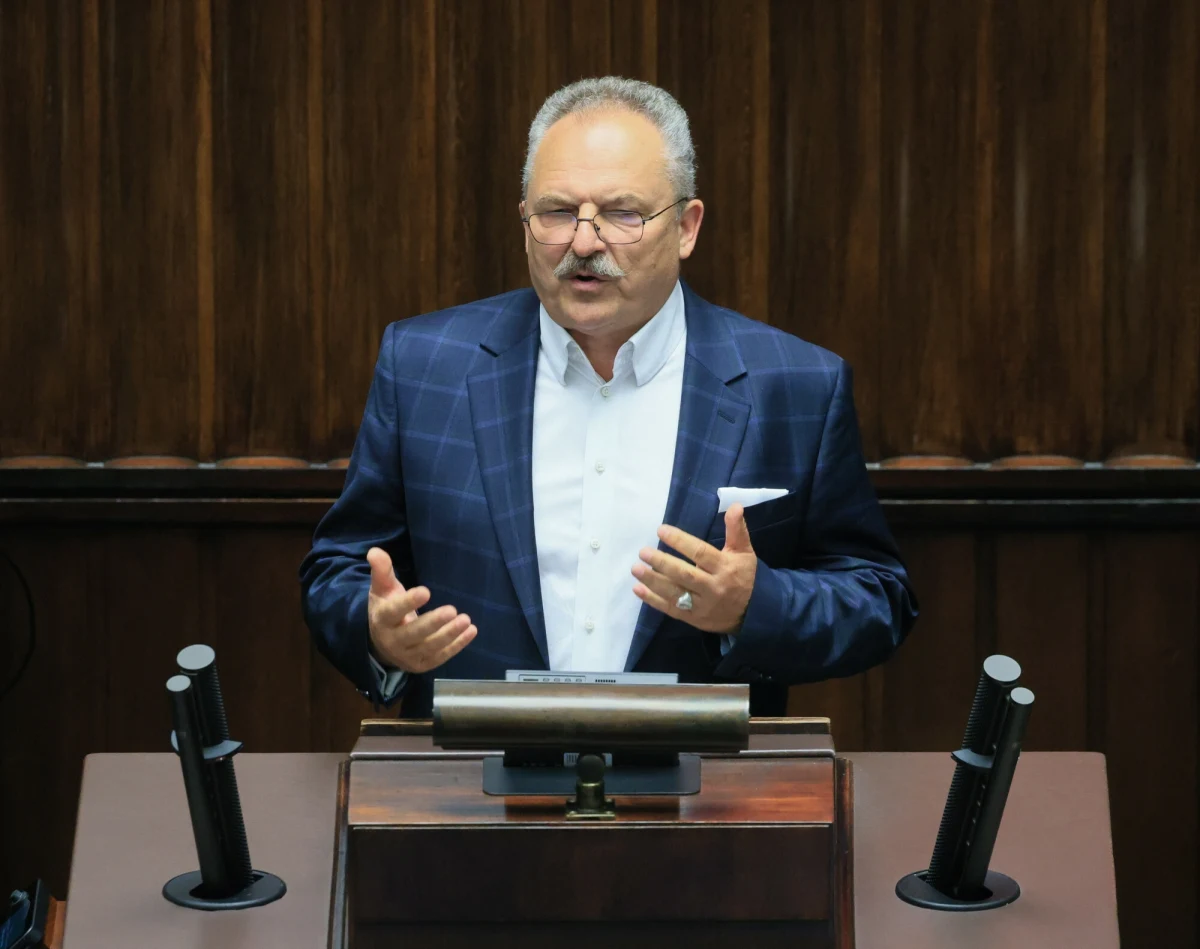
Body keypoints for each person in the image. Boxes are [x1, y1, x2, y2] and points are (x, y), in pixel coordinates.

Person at [300, 77, 917, 717]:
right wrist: (376, 632)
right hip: (475, 787)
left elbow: (876, 599)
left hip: (704, 794)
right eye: (559, 212)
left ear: (686, 227)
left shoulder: (794, 385)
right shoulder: (424, 366)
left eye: (623, 213)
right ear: (525, 221)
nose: (585, 243)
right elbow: (337, 571)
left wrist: (753, 606)